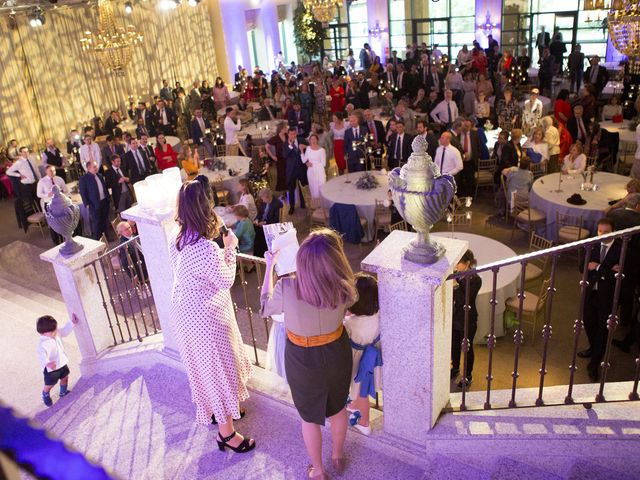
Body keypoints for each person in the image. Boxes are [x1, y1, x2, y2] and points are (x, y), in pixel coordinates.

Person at [261, 229, 357, 479]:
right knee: (338, 408)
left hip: (301, 358)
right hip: (336, 352)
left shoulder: (287, 286)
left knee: (309, 418)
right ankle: (337, 456)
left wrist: (270, 264)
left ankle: (318, 470)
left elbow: (264, 306)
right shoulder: (344, 287)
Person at [169, 178, 254, 452]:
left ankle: (225, 410)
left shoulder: (177, 237)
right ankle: (227, 434)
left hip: (189, 312)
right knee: (219, 366)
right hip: (206, 317)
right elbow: (226, 279)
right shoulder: (205, 247)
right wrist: (230, 247)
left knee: (208, 367)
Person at [578, 217, 622, 382]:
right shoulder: (592, 244)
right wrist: (607, 270)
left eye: (606, 232)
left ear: (614, 231)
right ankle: (593, 349)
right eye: (600, 231)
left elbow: (618, 276)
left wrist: (597, 267)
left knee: (602, 331)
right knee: (589, 324)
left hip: (608, 297)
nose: (602, 235)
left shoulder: (621, 249)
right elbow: (582, 267)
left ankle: (594, 363)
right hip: (590, 293)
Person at [344, 273, 381, 437]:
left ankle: (364, 422)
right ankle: (354, 408)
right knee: (362, 390)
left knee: (361, 391)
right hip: (372, 359)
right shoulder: (379, 317)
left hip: (357, 361)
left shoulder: (351, 323)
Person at [451, 250, 481, 388]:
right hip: (456, 316)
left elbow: (468, 299)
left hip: (468, 319)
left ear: (467, 263)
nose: (456, 265)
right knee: (455, 345)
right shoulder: (456, 275)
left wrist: (457, 284)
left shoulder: (475, 279)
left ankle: (468, 375)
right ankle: (455, 368)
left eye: (459, 263)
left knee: (467, 348)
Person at [37, 313, 79, 407]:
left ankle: (63, 392)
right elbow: (42, 357)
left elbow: (65, 330)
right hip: (51, 369)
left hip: (62, 363)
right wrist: (48, 363)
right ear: (42, 333)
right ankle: (45, 393)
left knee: (65, 377)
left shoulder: (56, 333)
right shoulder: (42, 344)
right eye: (51, 332)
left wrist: (72, 323)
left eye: (55, 329)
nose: (54, 332)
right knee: (50, 384)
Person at [79, 160, 110, 240]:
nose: (97, 168)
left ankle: (107, 238)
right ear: (88, 168)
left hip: (104, 201)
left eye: (96, 166)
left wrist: (108, 198)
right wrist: (87, 204)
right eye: (94, 166)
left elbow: (104, 187)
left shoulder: (99, 175)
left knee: (105, 220)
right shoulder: (84, 178)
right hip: (94, 204)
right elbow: (83, 192)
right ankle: (98, 241)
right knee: (97, 223)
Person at [284, 128, 308, 214]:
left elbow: (309, 147)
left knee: (302, 187)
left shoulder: (301, 140)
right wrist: (290, 146)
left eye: (294, 134)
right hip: (291, 171)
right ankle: (292, 207)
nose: (293, 136)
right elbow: (284, 155)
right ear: (288, 134)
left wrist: (304, 147)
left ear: (296, 133)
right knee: (291, 189)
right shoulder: (286, 143)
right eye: (291, 134)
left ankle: (303, 203)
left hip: (301, 168)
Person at [302, 134, 326, 200]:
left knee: (320, 187)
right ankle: (315, 204)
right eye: (311, 139)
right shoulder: (308, 149)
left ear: (317, 140)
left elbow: (324, 164)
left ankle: (322, 203)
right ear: (309, 141)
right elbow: (304, 160)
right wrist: (307, 163)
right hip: (310, 171)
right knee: (312, 187)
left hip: (319, 171)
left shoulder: (322, 150)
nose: (313, 141)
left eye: (314, 139)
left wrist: (314, 164)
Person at [266, 122, 289, 192]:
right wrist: (272, 156)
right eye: (285, 127)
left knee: (288, 173)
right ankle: (283, 190)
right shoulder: (275, 138)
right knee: (281, 175)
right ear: (281, 129)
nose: (287, 128)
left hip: (288, 159)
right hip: (280, 159)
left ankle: (288, 187)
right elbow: (266, 146)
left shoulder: (287, 136)